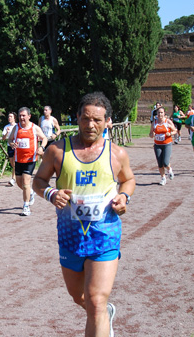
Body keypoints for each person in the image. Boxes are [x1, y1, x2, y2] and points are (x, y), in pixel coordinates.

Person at [33, 92, 135, 337]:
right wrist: (50, 193)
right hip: (71, 237)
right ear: (76, 117)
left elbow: (128, 179)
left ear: (108, 121)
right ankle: (105, 313)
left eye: (98, 120)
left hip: (105, 235)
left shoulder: (117, 154)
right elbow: (38, 180)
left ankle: (101, 314)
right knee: (79, 297)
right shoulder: (57, 151)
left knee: (95, 300)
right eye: (86, 118)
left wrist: (124, 197)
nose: (91, 125)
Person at [8, 107, 47, 216]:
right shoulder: (16, 128)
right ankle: (31, 193)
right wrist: (12, 144)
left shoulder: (34, 128)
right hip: (18, 159)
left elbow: (44, 138)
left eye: (24, 115)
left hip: (30, 159)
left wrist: (42, 148)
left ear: (29, 116)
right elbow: (10, 139)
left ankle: (26, 206)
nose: (21, 118)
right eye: (20, 116)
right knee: (20, 183)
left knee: (25, 183)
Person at [150, 106, 177, 185]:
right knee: (160, 163)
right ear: (156, 114)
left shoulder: (167, 121)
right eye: (158, 113)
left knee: (165, 162)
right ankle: (163, 178)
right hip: (157, 145)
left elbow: (175, 130)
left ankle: (169, 170)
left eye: (161, 112)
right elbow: (150, 133)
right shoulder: (154, 123)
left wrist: (170, 133)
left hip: (167, 144)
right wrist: (152, 134)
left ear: (164, 113)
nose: (160, 114)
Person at [2, 112, 18, 186]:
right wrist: (7, 133)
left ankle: (13, 179)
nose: (9, 118)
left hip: (17, 146)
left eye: (11, 116)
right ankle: (17, 175)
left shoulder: (17, 126)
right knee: (12, 163)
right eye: (8, 116)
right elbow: (3, 138)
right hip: (9, 146)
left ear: (14, 118)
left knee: (14, 163)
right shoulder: (6, 127)